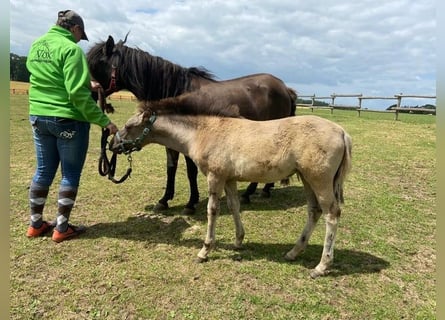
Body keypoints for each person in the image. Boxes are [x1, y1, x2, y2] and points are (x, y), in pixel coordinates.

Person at [25, 10, 118, 242]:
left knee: (43, 170)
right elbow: (76, 95)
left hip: (38, 116)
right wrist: (105, 122)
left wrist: (87, 81)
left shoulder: (36, 45)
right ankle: (62, 227)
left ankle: (36, 224)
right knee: (70, 173)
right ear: (75, 28)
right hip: (68, 119)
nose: (80, 39)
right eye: (80, 34)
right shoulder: (71, 50)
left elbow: (50, 76)